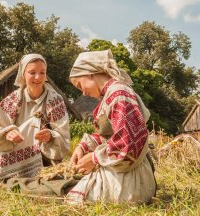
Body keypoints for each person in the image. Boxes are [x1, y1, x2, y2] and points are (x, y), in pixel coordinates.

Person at [67, 49, 156, 204]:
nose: (83, 93)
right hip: (122, 170)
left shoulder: (119, 93)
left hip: (131, 180)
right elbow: (108, 135)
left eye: (80, 85)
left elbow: (129, 143)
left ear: (90, 73)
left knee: (75, 196)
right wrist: (83, 146)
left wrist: (94, 158)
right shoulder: (111, 95)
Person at [0, 54, 70, 182]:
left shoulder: (55, 100)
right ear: (23, 74)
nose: (38, 77)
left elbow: (63, 135)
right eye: (32, 72)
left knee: (34, 123)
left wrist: (50, 136)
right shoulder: (12, 100)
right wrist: (8, 133)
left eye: (42, 73)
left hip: (44, 159)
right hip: (13, 151)